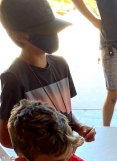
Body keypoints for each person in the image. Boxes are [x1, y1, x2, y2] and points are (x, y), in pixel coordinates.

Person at [0, 0, 96, 149]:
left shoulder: (61, 64)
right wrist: (47, 146)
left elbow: (65, 114)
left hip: (67, 157)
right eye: (46, 30)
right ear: (19, 35)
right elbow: (6, 138)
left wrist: (78, 127)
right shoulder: (14, 79)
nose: (53, 34)